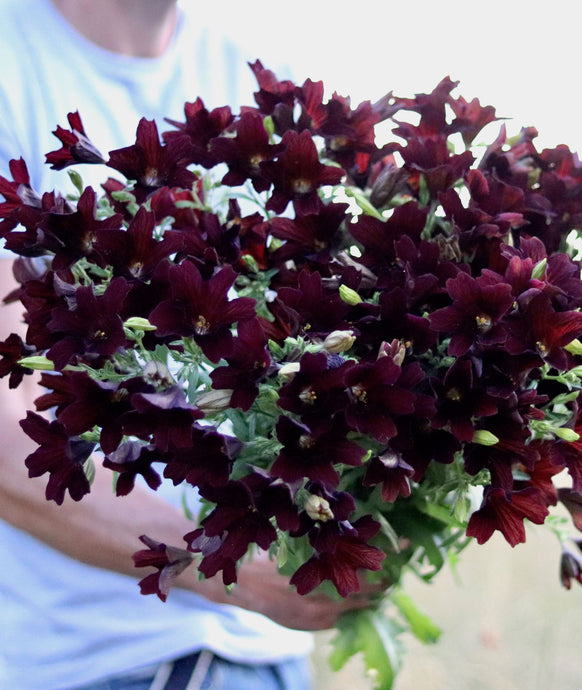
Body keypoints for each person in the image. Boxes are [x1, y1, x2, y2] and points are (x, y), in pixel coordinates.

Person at [0, 2, 376, 689]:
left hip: (268, 655)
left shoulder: (263, 79)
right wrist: (220, 563)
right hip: (98, 660)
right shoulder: (10, 64)